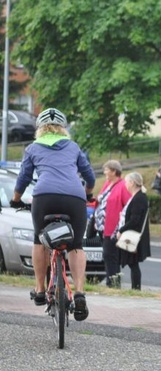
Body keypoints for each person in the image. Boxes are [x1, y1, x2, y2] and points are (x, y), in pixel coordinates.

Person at [10, 107, 95, 321]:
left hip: (45, 197)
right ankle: (80, 293)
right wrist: (88, 192)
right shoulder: (73, 147)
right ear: (63, 128)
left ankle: (39, 290)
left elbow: (23, 178)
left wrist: (16, 199)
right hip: (75, 198)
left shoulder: (33, 148)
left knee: (39, 240)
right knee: (76, 245)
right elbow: (89, 176)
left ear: (40, 128)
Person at [94, 160, 131, 287]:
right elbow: (100, 199)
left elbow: (128, 205)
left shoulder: (122, 185)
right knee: (108, 255)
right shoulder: (107, 184)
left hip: (113, 228)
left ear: (114, 171)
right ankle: (112, 282)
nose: (105, 172)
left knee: (110, 255)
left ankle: (113, 283)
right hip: (102, 227)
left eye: (107, 170)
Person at [115, 172, 151, 290]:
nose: (125, 184)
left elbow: (135, 219)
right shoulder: (139, 197)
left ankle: (136, 288)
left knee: (133, 263)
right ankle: (135, 288)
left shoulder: (139, 198)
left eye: (127, 182)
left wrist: (121, 230)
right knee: (132, 264)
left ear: (132, 183)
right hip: (134, 235)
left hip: (134, 236)